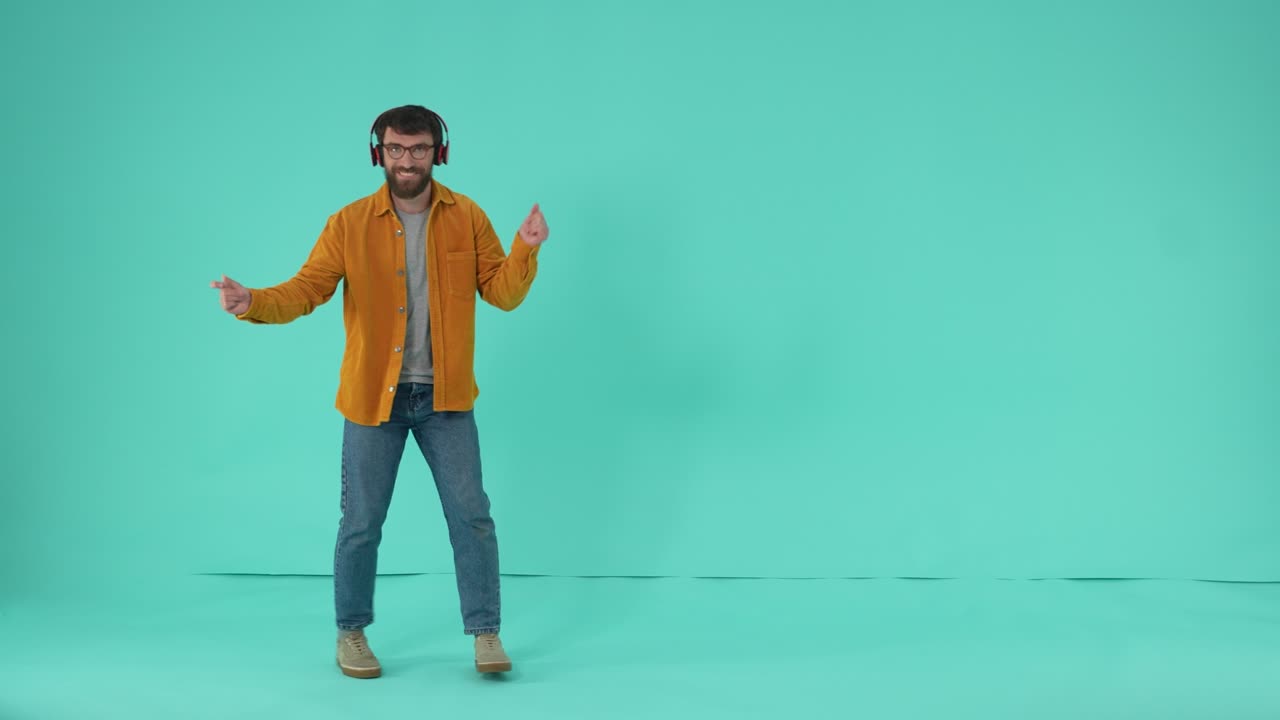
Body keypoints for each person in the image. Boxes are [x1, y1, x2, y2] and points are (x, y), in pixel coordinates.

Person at [209, 105, 548, 678]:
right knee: (361, 522)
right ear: (378, 152)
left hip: (446, 398)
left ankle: (486, 633)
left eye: (418, 149)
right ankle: (351, 633)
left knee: (473, 517)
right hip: (374, 398)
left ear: (438, 153)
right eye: (396, 149)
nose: (407, 160)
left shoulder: (467, 217)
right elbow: (308, 288)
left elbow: (504, 293)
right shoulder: (348, 222)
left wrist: (525, 249)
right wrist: (253, 302)